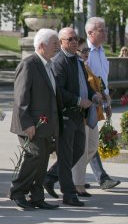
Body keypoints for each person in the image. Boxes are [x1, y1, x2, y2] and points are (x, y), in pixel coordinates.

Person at [43, 28, 101, 207]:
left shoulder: (76, 60)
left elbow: (84, 85)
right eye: (70, 39)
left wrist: (93, 95)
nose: (75, 42)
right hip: (66, 115)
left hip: (78, 116)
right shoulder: (59, 61)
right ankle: (69, 194)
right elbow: (58, 90)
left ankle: (50, 176)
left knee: (77, 152)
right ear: (61, 43)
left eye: (76, 38)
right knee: (67, 155)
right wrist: (77, 100)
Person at [9, 28, 62, 210]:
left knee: (43, 159)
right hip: (31, 123)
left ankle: (37, 196)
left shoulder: (48, 65)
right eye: (55, 44)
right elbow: (21, 97)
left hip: (46, 124)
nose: (58, 47)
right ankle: (17, 191)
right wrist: (27, 123)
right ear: (41, 46)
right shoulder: (29, 64)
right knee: (35, 156)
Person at [78, 17, 121, 194]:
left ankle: (75, 177)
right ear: (90, 33)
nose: (105, 33)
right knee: (89, 144)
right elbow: (85, 81)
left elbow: (103, 79)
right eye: (101, 30)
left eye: (105, 29)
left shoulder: (102, 51)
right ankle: (100, 177)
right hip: (87, 104)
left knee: (88, 145)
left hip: (99, 102)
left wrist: (107, 101)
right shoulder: (83, 52)